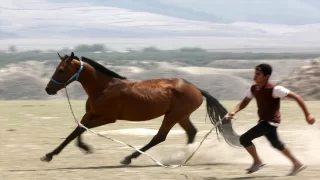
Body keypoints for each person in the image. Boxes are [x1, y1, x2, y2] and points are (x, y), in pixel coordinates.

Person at [225, 63, 316, 176]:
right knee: (276, 143)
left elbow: (297, 97)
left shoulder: (275, 89)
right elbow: (244, 102)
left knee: (244, 139)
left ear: (267, 76)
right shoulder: (254, 89)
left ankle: (258, 161)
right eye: (255, 73)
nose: (255, 76)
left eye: (258, 74)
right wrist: (233, 111)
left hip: (270, 122)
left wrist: (308, 115)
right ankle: (297, 163)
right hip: (264, 121)